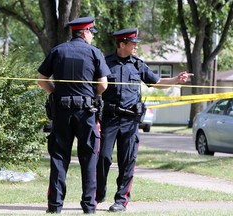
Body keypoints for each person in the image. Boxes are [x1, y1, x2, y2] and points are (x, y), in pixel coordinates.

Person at [96, 28, 194, 212]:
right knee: (103, 157)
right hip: (109, 118)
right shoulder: (105, 63)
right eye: (132, 43)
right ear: (122, 44)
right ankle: (98, 193)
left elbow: (157, 83)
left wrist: (176, 79)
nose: (136, 46)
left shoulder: (138, 65)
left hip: (130, 120)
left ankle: (121, 200)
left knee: (127, 160)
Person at [37, 17, 111, 214]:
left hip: (61, 112)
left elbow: (42, 80)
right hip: (86, 113)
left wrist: (55, 93)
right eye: (92, 32)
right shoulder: (94, 52)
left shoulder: (58, 50)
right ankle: (89, 206)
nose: (93, 36)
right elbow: (103, 85)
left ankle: (55, 206)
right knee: (89, 159)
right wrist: (91, 96)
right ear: (85, 32)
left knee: (59, 158)